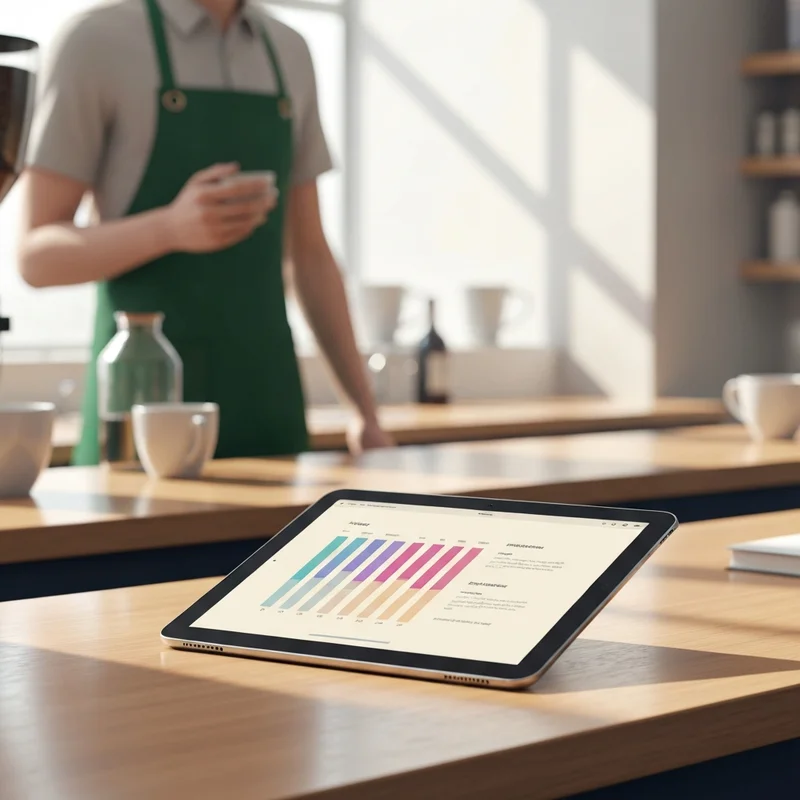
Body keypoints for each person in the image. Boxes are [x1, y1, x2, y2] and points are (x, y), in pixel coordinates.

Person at [16, 0, 393, 462]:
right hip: (137, 428)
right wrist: (169, 229)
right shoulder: (96, 41)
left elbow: (309, 253)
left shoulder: (289, 51)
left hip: (268, 417)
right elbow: (37, 256)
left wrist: (364, 413)